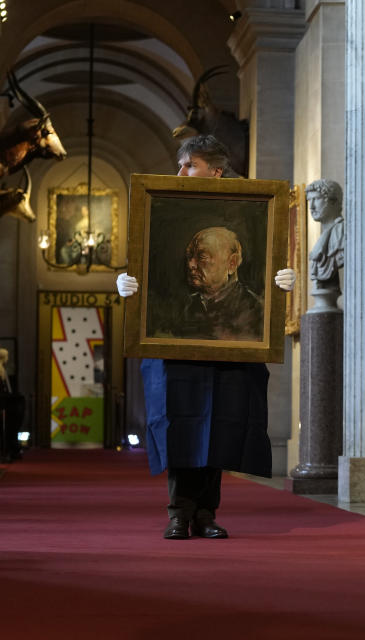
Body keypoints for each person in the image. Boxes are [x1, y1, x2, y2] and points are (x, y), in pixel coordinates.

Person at [116, 134, 295, 540]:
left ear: (215, 169)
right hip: (175, 351)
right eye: (179, 164)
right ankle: (179, 512)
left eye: (189, 164)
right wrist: (124, 283)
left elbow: (270, 267)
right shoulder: (160, 207)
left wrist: (283, 285)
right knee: (180, 425)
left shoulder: (251, 207)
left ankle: (205, 514)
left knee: (221, 427)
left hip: (230, 353)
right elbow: (143, 263)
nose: (180, 173)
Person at [180, 226, 263, 340]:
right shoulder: (187, 307)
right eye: (190, 256)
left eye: (202, 257)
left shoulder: (255, 310)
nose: (191, 265)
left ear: (232, 263)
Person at [305, 179, 344, 287]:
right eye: (309, 200)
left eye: (316, 199)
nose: (311, 207)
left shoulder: (342, 232)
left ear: (333, 201)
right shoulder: (325, 235)